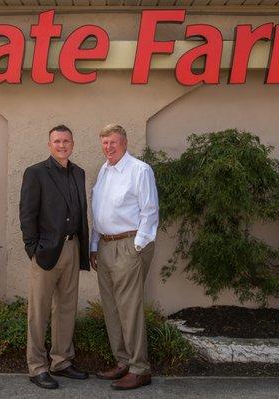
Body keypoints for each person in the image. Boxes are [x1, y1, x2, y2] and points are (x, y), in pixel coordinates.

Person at [19, 124, 90, 389]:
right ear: (49, 145)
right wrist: (32, 249)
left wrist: (84, 247)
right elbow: (27, 214)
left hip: (72, 248)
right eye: (57, 141)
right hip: (46, 252)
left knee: (66, 308)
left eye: (66, 141)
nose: (62, 145)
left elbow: (80, 213)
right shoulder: (36, 173)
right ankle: (37, 367)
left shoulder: (79, 173)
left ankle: (61, 361)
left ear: (73, 144)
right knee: (39, 312)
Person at [89, 124, 159, 390]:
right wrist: (95, 246)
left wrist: (138, 246)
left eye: (113, 143)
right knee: (112, 307)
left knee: (129, 309)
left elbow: (150, 211)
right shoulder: (104, 171)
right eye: (105, 143)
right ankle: (122, 363)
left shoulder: (139, 170)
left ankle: (140, 369)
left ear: (125, 143)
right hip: (106, 246)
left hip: (129, 245)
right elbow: (99, 212)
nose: (108, 147)